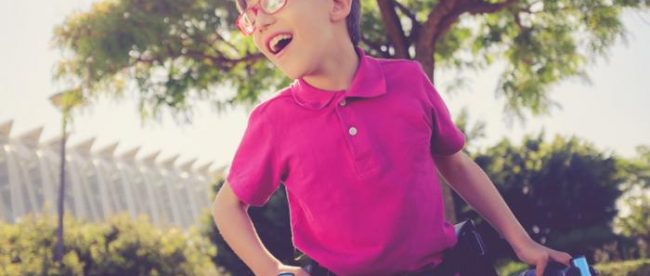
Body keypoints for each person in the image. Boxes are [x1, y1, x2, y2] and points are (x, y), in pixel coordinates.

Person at [212, 0, 573, 275]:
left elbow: (455, 162)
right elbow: (227, 207)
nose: (259, 21)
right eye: (250, 16)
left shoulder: (409, 81)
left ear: (337, 4)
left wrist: (521, 242)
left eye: (272, 1)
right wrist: (270, 269)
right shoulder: (273, 121)